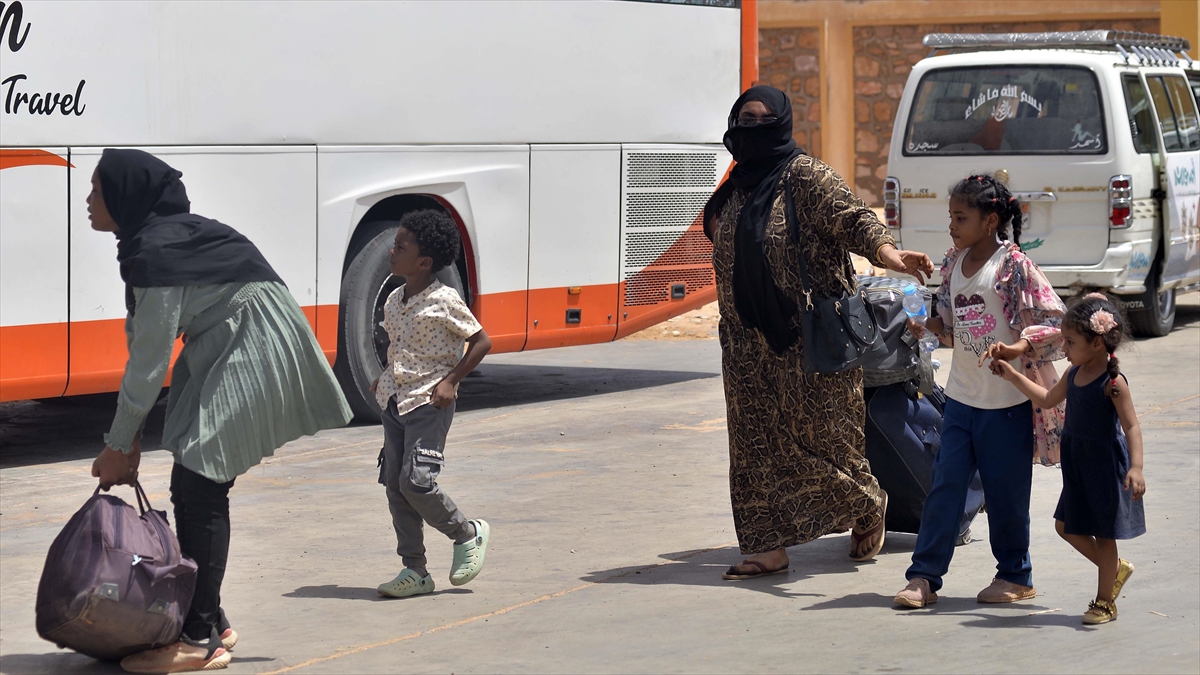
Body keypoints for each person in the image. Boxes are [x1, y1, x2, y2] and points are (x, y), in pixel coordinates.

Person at [86, 149, 353, 673]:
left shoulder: (159, 251)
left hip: (251, 339)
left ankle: (200, 639)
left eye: (97, 189)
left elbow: (147, 366)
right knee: (191, 481)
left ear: (125, 196)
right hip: (224, 343)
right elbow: (142, 339)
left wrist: (118, 444)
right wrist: (128, 439)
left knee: (202, 480)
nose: (89, 200)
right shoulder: (150, 244)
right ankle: (213, 620)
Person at [702, 86, 934, 580]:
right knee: (753, 446)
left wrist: (893, 257)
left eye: (765, 118)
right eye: (746, 117)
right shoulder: (736, 185)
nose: (754, 126)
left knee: (825, 439)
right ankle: (766, 546)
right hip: (744, 344)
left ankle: (868, 503)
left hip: (809, 338)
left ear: (783, 124)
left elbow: (855, 221)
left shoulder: (805, 177)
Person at [893, 174, 1066, 609]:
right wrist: (926, 327)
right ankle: (924, 578)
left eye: (960, 217)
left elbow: (1056, 324)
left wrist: (1017, 347)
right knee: (945, 486)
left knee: (1006, 493)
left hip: (1006, 404)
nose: (951, 225)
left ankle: (1015, 574)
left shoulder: (1014, 268)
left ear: (990, 220)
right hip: (961, 400)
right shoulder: (953, 263)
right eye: (950, 217)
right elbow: (950, 328)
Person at [990, 293, 1146, 625]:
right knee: (1065, 526)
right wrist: (1012, 375)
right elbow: (1046, 399)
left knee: (1105, 536)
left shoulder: (1113, 383)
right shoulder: (1072, 375)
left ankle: (1105, 602)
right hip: (1078, 464)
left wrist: (1136, 467)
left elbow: (1131, 425)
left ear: (1097, 343)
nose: (1064, 349)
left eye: (1070, 342)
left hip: (1105, 467)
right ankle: (1114, 569)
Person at [370, 210, 492, 598]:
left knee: (416, 482)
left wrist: (452, 381)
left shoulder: (444, 300)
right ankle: (415, 571)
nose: (392, 251)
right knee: (395, 484)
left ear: (423, 262)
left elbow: (482, 342)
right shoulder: (393, 299)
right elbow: (400, 348)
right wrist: (384, 376)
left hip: (429, 403)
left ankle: (467, 533)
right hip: (396, 401)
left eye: (401, 247)